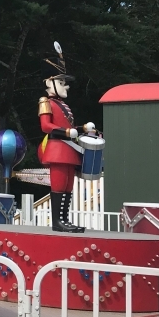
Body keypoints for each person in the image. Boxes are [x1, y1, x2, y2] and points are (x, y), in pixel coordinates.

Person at [38, 42, 99, 233]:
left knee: (68, 186)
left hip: (69, 149)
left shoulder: (62, 105)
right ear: (50, 83)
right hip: (57, 148)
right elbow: (46, 126)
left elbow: (70, 127)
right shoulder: (45, 102)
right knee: (58, 184)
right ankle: (57, 222)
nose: (67, 86)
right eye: (62, 82)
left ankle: (65, 219)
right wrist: (66, 132)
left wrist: (82, 128)